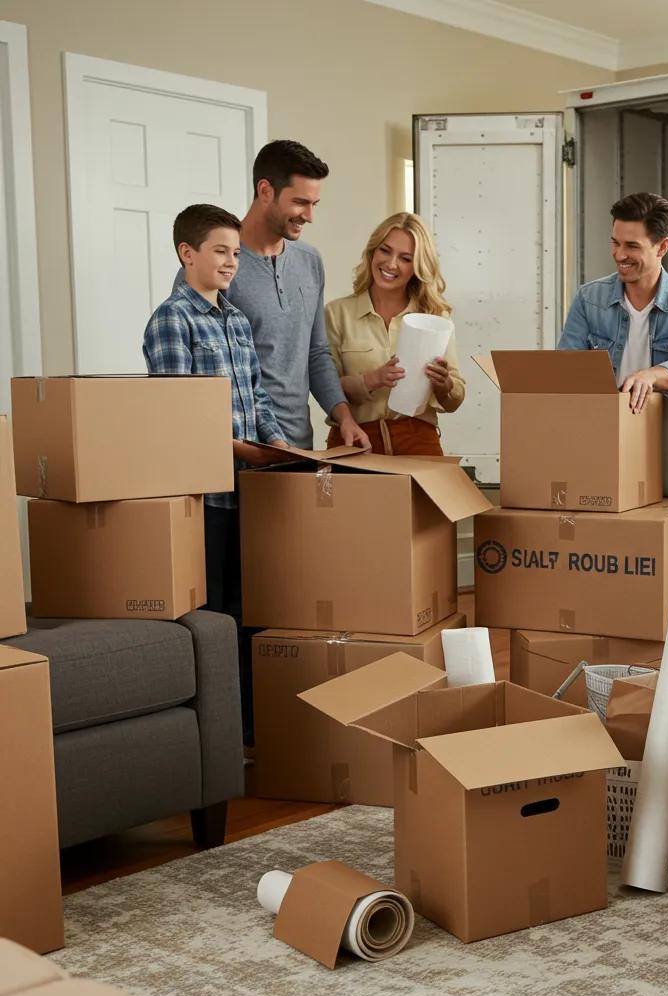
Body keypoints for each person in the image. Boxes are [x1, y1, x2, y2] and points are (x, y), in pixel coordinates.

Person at [146, 204, 291, 745]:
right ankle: (216, 730)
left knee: (248, 610)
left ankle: (250, 727)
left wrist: (275, 443)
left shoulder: (235, 319)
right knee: (211, 617)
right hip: (204, 496)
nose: (232, 261)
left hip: (248, 490)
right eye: (220, 251)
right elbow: (176, 416)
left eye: (235, 252)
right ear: (188, 253)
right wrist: (239, 450)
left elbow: (256, 396)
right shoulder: (171, 319)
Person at [174, 139, 369, 450]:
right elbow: (189, 379)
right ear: (265, 191)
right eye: (299, 202)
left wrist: (343, 416)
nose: (309, 216)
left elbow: (316, 352)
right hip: (238, 450)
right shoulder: (216, 266)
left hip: (297, 448)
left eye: (314, 204)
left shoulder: (310, 261)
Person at [323, 213, 464, 455]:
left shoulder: (435, 317)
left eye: (405, 258)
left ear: (418, 267)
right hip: (354, 443)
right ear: (372, 252)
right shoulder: (337, 313)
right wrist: (372, 379)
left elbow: (455, 398)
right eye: (385, 251)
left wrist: (445, 384)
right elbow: (325, 386)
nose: (391, 264)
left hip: (418, 442)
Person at [559, 192, 668, 413]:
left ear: (662, 247)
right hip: (600, 423)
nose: (620, 255)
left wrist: (649, 375)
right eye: (615, 243)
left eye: (632, 246)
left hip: (662, 428)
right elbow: (567, 366)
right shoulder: (588, 298)